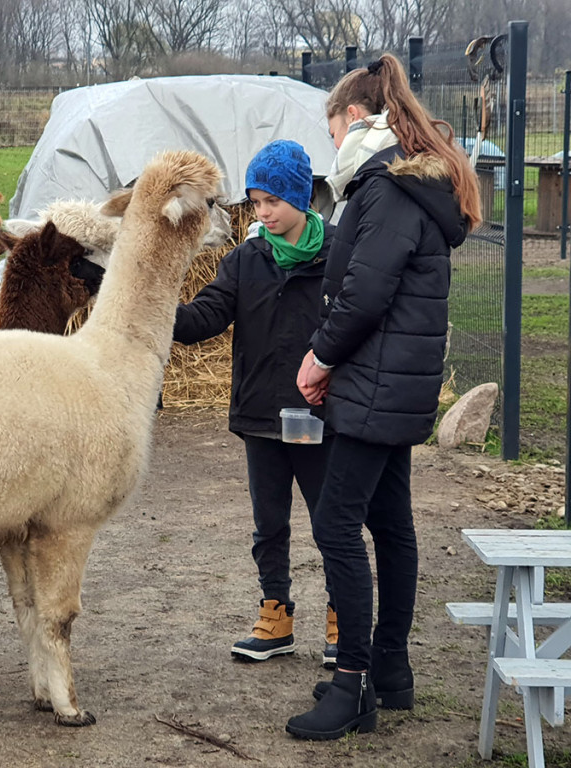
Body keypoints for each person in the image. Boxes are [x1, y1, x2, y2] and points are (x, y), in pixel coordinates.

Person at [287, 54, 482, 740]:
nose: (331, 143)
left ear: (356, 118)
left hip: (375, 383)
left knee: (336, 524)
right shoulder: (404, 183)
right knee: (390, 525)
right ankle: (390, 673)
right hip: (393, 382)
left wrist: (320, 356)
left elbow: (364, 293)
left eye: (333, 127)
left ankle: (354, 683)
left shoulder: (388, 188)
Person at [173, 140, 338, 667]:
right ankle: (275, 617)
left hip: (319, 420)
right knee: (269, 524)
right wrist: (149, 299)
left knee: (330, 522)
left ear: (300, 198)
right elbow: (203, 319)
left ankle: (343, 619)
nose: (261, 213)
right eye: (255, 202)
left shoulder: (338, 258)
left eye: (271, 202)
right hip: (261, 417)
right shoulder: (246, 260)